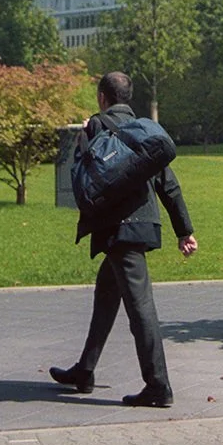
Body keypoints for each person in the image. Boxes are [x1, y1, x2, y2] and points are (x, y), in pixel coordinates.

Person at [50, 70, 197, 407]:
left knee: (140, 307)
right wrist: (183, 230)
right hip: (142, 226)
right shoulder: (145, 132)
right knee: (106, 296)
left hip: (119, 230)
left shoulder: (97, 125)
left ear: (103, 96)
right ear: (128, 98)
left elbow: (81, 178)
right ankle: (84, 371)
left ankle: (158, 386)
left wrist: (86, 132)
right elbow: (168, 183)